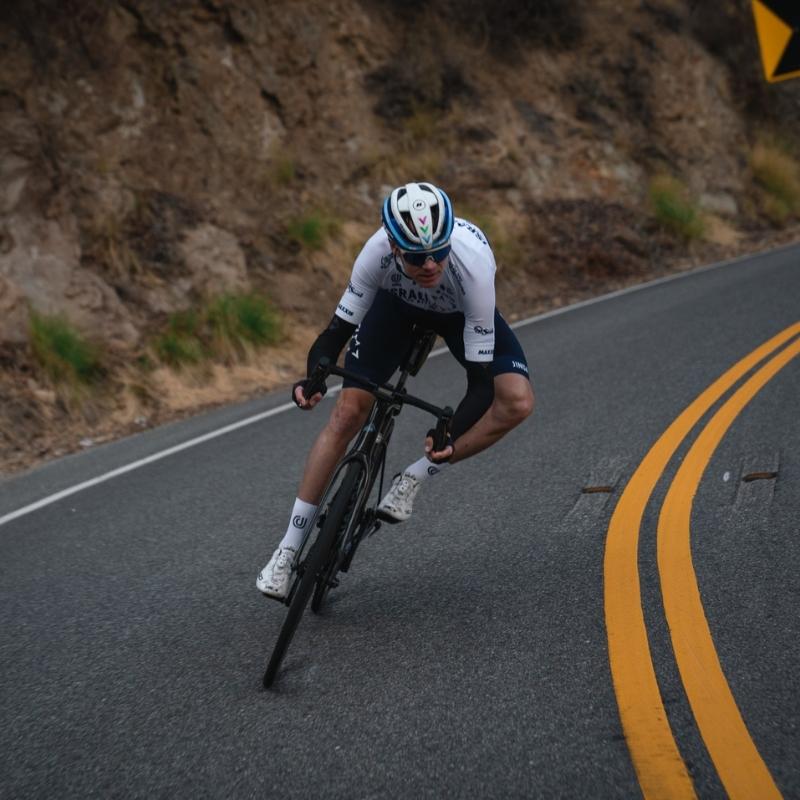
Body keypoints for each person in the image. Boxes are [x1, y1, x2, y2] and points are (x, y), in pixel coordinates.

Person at [257, 181, 534, 598]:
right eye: (417, 256)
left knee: (517, 401)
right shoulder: (375, 254)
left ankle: (415, 476)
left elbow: (480, 383)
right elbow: (336, 332)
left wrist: (449, 432)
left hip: (458, 314)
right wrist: (314, 378)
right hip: (395, 308)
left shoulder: (473, 266)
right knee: (347, 412)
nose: (430, 265)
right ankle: (287, 549)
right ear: (393, 245)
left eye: (439, 251)